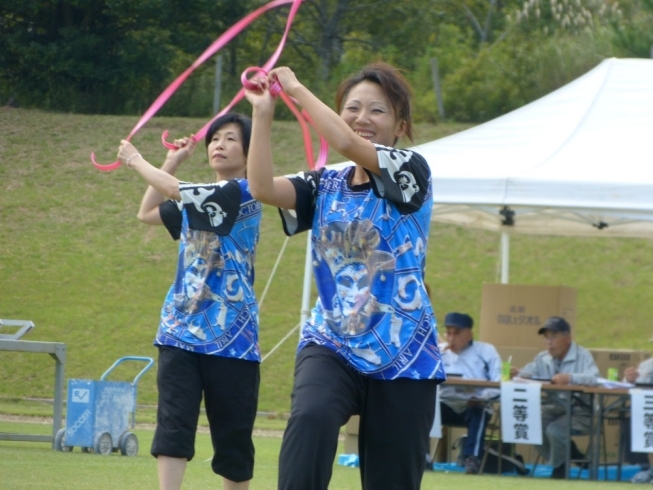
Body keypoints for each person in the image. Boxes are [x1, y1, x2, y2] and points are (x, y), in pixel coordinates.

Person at [244, 62, 446, 490]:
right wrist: (263, 113)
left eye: (378, 111)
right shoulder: (324, 184)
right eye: (352, 107)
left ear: (400, 126)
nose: (361, 118)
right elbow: (261, 187)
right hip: (332, 341)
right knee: (311, 417)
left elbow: (343, 140)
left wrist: (295, 86)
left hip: (404, 355)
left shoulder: (411, 172)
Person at [116, 113, 262, 490]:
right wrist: (172, 160)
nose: (219, 144)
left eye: (231, 139)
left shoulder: (245, 192)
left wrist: (136, 160)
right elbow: (146, 213)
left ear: (249, 152)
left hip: (234, 336)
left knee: (233, 438)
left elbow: (180, 192)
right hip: (180, 331)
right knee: (174, 425)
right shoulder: (194, 199)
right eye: (215, 138)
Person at [517, 316, 599, 479]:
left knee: (554, 431)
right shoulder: (542, 358)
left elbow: (595, 379)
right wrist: (517, 374)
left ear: (567, 337)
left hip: (580, 411)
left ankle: (560, 469)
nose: (549, 342)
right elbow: (527, 374)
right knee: (531, 427)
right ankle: (571, 452)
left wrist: (570, 378)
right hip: (553, 409)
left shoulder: (583, 356)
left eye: (553, 336)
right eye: (546, 337)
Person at [438, 312, 502, 474]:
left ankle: (472, 459)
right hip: (447, 403)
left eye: (457, 333)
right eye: (449, 333)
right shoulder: (439, 352)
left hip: (475, 403)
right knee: (425, 408)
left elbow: (499, 380)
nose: (451, 338)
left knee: (478, 411)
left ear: (469, 334)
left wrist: (482, 397)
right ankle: (423, 456)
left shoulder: (486, 351)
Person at [621, 353, 653, 469]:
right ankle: (644, 466)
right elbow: (628, 388)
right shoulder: (647, 365)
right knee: (631, 420)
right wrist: (629, 380)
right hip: (648, 410)